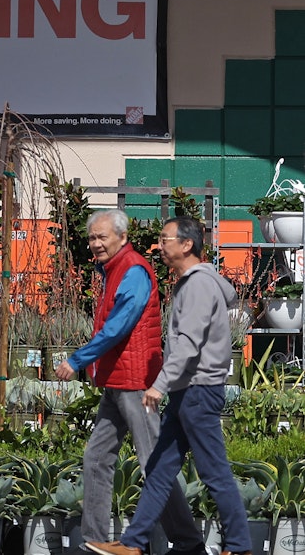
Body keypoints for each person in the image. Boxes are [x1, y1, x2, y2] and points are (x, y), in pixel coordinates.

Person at [86, 217, 252, 555]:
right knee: (160, 471)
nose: (159, 246)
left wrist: (159, 384)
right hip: (187, 391)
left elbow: (188, 343)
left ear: (187, 244)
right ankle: (133, 544)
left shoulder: (198, 286)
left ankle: (238, 544)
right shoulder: (191, 283)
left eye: (165, 239)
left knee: (214, 472)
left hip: (198, 390)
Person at [54, 209, 204, 555]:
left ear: (122, 237)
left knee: (152, 462)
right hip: (118, 381)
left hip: (136, 383)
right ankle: (94, 540)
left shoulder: (133, 269)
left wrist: (78, 359)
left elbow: (120, 325)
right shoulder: (114, 269)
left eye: (102, 237)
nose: (95, 244)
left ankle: (188, 541)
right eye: (92, 238)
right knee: (96, 458)